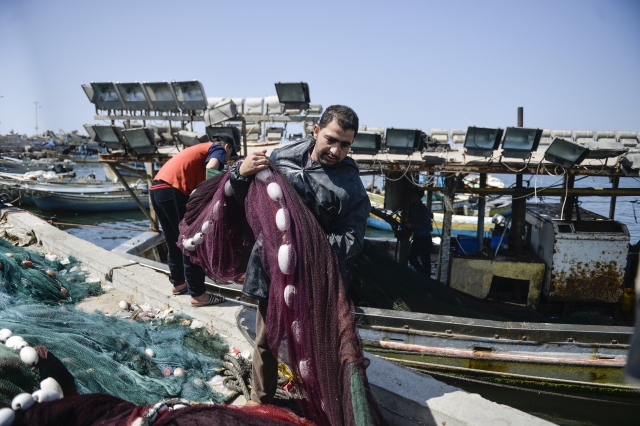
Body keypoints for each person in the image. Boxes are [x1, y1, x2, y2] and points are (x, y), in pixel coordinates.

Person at [228, 105, 371, 405]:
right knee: (266, 338)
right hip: (271, 268)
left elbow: (352, 240)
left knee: (319, 345)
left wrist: (304, 245)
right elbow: (246, 198)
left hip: (316, 278)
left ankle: (322, 402)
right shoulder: (281, 158)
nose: (336, 150)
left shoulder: (351, 188)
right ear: (316, 131)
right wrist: (240, 172)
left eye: (345, 145)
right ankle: (259, 398)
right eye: (331, 139)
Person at [150, 133, 236, 306]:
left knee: (174, 239)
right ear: (227, 147)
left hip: (157, 189)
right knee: (192, 240)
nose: (226, 160)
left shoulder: (199, 150)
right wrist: (210, 198)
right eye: (229, 155)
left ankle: (179, 283)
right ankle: (198, 294)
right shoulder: (217, 148)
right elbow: (211, 168)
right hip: (173, 190)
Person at [406, 189, 433, 276]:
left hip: (425, 239)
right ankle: (422, 275)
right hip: (417, 237)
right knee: (411, 258)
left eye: (415, 196)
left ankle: (426, 278)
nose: (412, 198)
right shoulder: (412, 208)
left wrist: (412, 225)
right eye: (412, 196)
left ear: (419, 198)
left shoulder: (424, 210)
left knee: (425, 261)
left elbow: (425, 224)